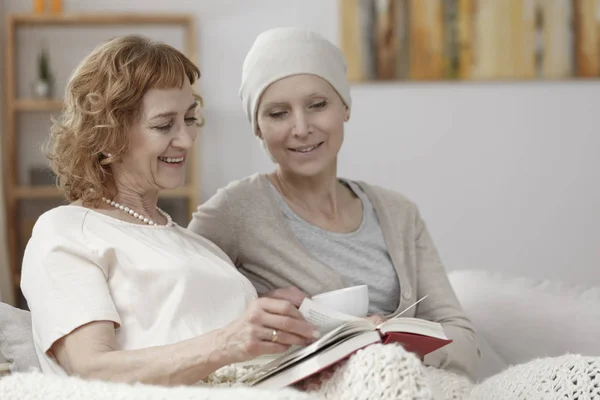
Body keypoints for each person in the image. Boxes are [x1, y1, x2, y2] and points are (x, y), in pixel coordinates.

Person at [20, 34, 320, 387]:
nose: (186, 138)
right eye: (164, 125)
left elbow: (187, 320)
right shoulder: (66, 231)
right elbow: (92, 369)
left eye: (190, 118)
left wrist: (271, 310)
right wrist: (228, 341)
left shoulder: (196, 244)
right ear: (107, 135)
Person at [188, 27, 481, 381]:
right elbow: (190, 323)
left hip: (427, 384)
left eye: (317, 105)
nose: (301, 128)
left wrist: (388, 346)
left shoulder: (399, 212)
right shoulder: (233, 212)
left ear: (345, 107)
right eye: (278, 113)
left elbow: (461, 336)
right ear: (258, 128)